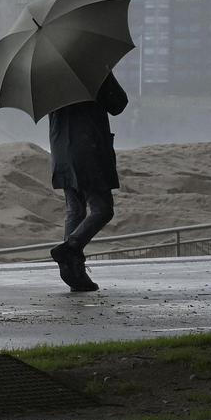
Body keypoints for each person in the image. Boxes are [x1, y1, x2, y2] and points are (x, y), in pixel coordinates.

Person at [48, 71, 128, 292]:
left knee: (75, 211)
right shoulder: (92, 68)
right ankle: (71, 248)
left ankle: (73, 273)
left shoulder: (46, 76)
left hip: (61, 151)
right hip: (89, 149)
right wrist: (107, 73)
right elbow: (118, 104)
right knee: (103, 209)